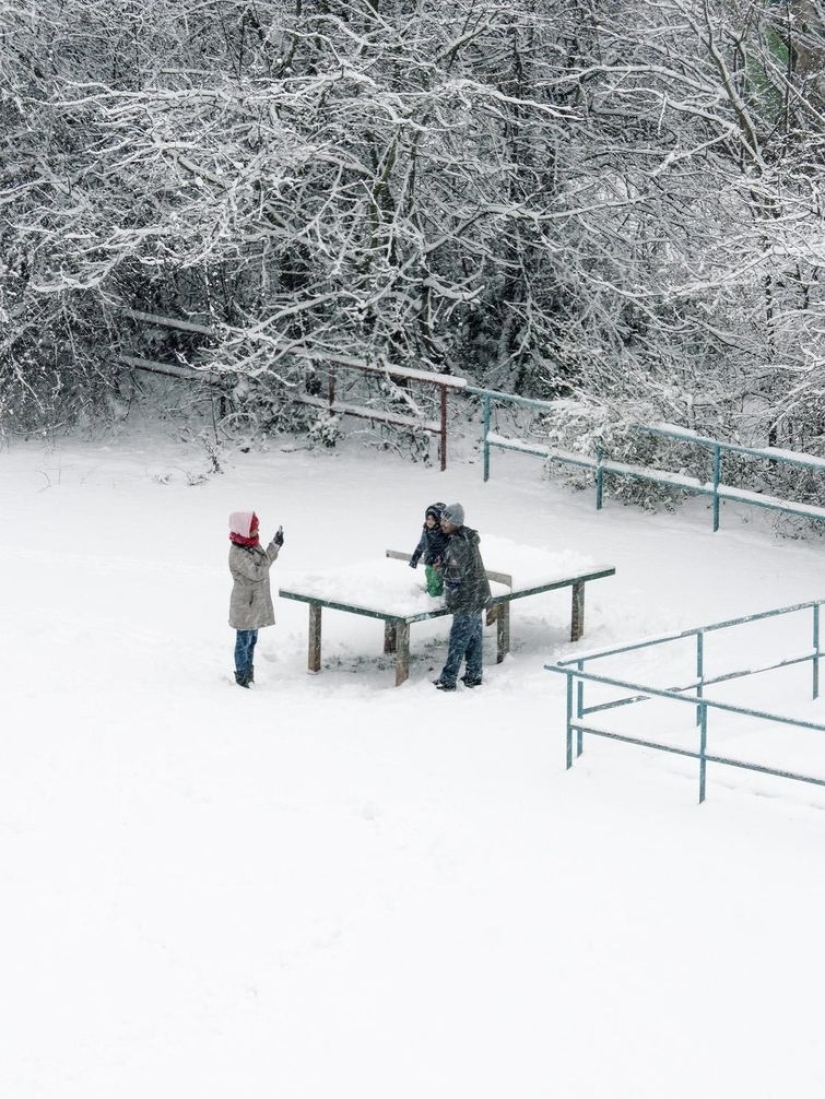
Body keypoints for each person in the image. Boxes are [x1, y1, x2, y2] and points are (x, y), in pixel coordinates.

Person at [433, 502, 491, 691]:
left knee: (458, 640)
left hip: (466, 599)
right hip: (477, 595)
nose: (442, 523)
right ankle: (474, 675)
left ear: (455, 522)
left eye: (446, 520)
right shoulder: (467, 536)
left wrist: (440, 568)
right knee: (473, 639)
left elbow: (455, 575)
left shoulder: (458, 543)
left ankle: (448, 679)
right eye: (442, 519)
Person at [228, 510, 284, 687]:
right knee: (243, 642)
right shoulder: (237, 553)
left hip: (254, 603)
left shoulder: (251, 545)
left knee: (252, 641)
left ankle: (249, 676)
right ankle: (242, 677)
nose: (258, 530)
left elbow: (264, 562)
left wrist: (274, 546)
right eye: (254, 528)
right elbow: (258, 572)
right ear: (244, 529)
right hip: (245, 605)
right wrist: (267, 559)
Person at [408, 500, 448, 597]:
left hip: (438, 563)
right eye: (428, 519)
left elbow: (446, 548)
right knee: (429, 577)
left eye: (432, 519)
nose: (429, 521)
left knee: (436, 580)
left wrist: (441, 558)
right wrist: (415, 558)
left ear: (438, 519)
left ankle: (436, 597)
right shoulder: (426, 530)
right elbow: (421, 544)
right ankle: (431, 592)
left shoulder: (442, 532)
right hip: (428, 560)